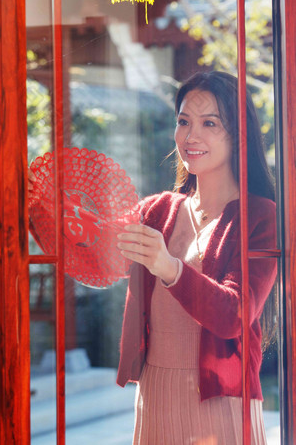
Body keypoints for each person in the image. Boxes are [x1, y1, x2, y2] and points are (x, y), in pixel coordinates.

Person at [116, 71, 277, 445]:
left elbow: (233, 314)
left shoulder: (261, 215)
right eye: (184, 121)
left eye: (210, 123)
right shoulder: (157, 210)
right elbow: (96, 243)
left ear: (239, 135)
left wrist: (168, 267)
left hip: (221, 404)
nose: (191, 136)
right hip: (155, 395)